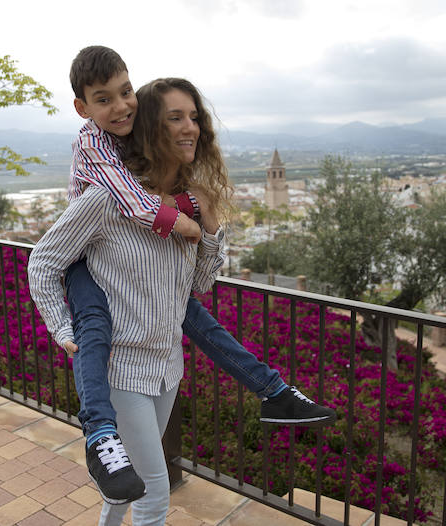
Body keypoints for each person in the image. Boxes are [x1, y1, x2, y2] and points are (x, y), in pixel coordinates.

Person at [29, 46, 337, 508]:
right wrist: (62, 327)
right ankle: (100, 433)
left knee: (123, 492)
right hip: (123, 368)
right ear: (151, 124)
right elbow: (45, 261)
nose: (190, 126)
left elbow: (200, 287)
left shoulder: (187, 200)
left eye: (194, 116)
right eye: (175, 117)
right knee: (153, 493)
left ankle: (272, 391)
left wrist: (209, 225)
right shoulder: (106, 196)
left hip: (167, 365)